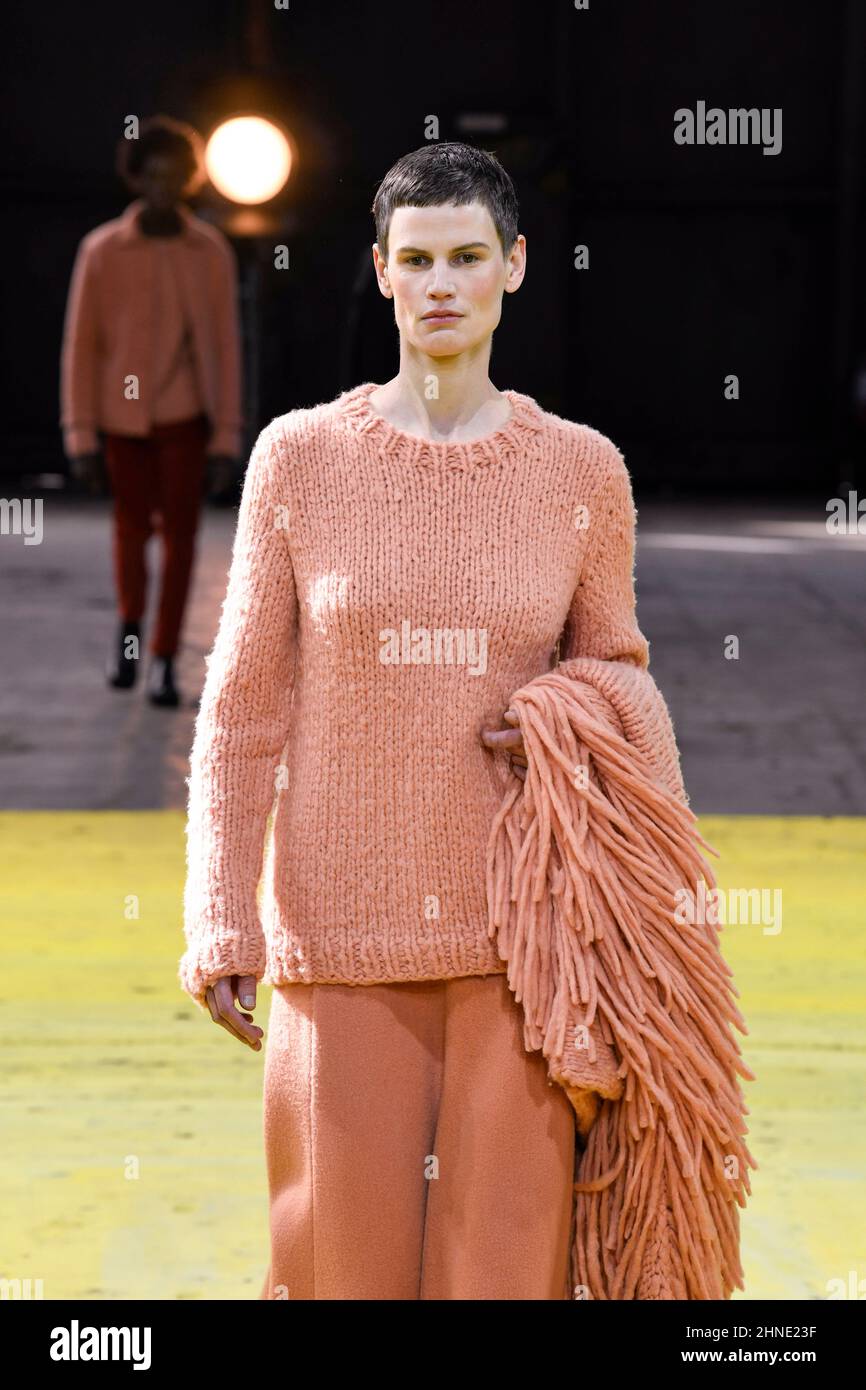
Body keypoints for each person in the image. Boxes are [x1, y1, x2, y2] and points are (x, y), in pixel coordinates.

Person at [178, 142, 665, 1299]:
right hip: (336, 941)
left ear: (514, 265)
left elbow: (625, 684)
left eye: (465, 256)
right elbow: (242, 711)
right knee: (335, 1273)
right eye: (416, 260)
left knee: (504, 1275)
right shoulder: (297, 460)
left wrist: (571, 708)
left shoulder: (583, 475)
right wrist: (218, 916)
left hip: (522, 951)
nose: (440, 282)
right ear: (383, 274)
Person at [60, 114, 242, 708]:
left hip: (185, 417)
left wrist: (225, 436)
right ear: (136, 179)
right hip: (121, 418)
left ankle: (163, 657)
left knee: (183, 538)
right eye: (153, 175)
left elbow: (223, 345)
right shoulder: (102, 250)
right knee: (131, 531)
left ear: (190, 180)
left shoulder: (209, 251)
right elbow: (81, 345)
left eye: (176, 176)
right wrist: (81, 433)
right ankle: (130, 635)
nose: (164, 186)